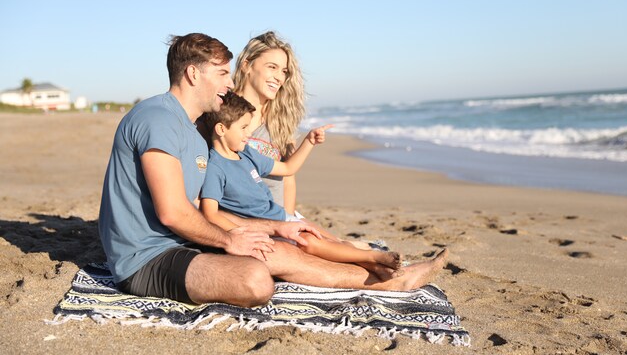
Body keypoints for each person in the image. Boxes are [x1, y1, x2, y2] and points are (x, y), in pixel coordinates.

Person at [99, 32, 449, 308]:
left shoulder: (192, 129)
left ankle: (387, 282)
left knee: (273, 248)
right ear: (193, 73)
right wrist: (229, 239)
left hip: (179, 242)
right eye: (221, 73)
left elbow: (201, 210)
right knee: (255, 281)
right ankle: (382, 277)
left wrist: (275, 225)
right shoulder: (157, 119)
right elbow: (174, 213)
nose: (227, 83)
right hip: (144, 258)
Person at [197, 92, 403, 280]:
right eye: (243, 128)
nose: (247, 134)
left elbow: (287, 168)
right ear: (221, 129)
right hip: (269, 230)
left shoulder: (246, 153)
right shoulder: (215, 168)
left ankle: (373, 266)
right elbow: (211, 214)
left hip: (284, 218)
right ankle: (374, 257)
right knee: (311, 243)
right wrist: (243, 233)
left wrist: (309, 142)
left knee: (335, 243)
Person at [232, 31, 303, 215]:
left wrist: (287, 223)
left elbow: (288, 179)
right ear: (247, 65)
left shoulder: (281, 120)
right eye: (272, 67)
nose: (279, 77)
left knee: (318, 241)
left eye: (284, 71)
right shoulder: (221, 112)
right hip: (237, 221)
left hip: (277, 218)